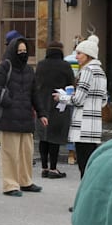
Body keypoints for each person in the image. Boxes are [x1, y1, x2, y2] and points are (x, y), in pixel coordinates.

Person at [0, 35, 45, 196]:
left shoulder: (29, 70)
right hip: (9, 117)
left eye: (25, 50)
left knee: (26, 153)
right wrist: (8, 102)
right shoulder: (4, 67)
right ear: (13, 51)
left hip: (26, 117)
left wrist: (41, 113)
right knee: (10, 154)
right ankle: (10, 185)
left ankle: (25, 181)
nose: (22, 53)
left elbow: (35, 93)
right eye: (19, 50)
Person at [57, 35, 108, 179]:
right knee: (91, 165)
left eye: (79, 53)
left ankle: (85, 198)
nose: (76, 56)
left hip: (82, 125)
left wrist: (62, 97)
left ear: (88, 55)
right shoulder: (101, 72)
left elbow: (78, 100)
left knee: (83, 166)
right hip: (94, 124)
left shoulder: (87, 71)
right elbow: (104, 100)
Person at [35, 41, 75, 180]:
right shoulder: (65, 66)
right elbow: (71, 84)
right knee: (55, 138)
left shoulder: (40, 65)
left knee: (43, 137)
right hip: (59, 104)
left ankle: (44, 167)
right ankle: (53, 168)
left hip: (42, 104)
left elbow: (35, 84)